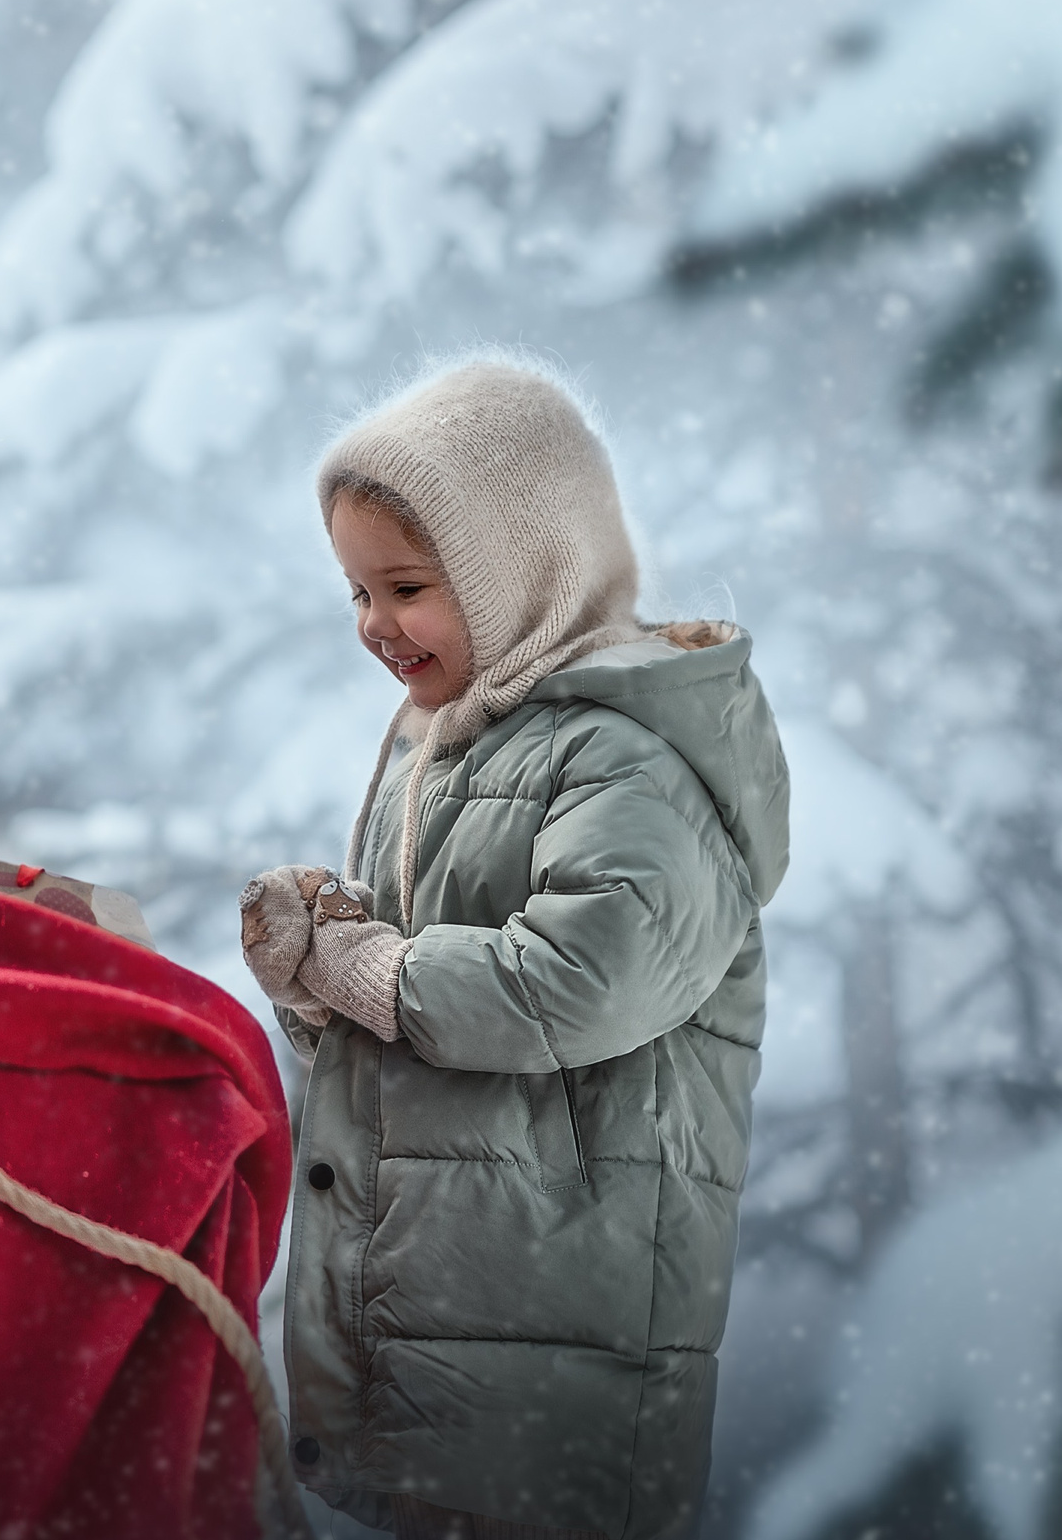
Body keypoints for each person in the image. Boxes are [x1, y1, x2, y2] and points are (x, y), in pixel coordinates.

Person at [239, 356, 790, 1540]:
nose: (377, 626)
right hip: (452, 1307)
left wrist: (371, 971)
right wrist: (317, 971)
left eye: (406, 586)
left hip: (558, 1336)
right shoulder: (453, 749)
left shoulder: (629, 760)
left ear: (516, 568)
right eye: (355, 593)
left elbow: (577, 980)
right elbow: (417, 1014)